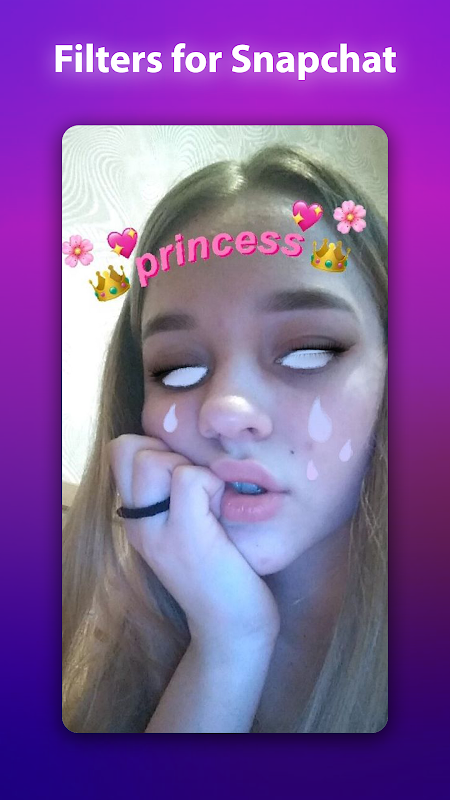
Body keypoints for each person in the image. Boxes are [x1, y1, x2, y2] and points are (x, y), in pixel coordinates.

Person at [62, 143, 388, 733]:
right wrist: (229, 643)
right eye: (177, 368)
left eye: (308, 351)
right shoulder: (102, 628)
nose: (224, 412)